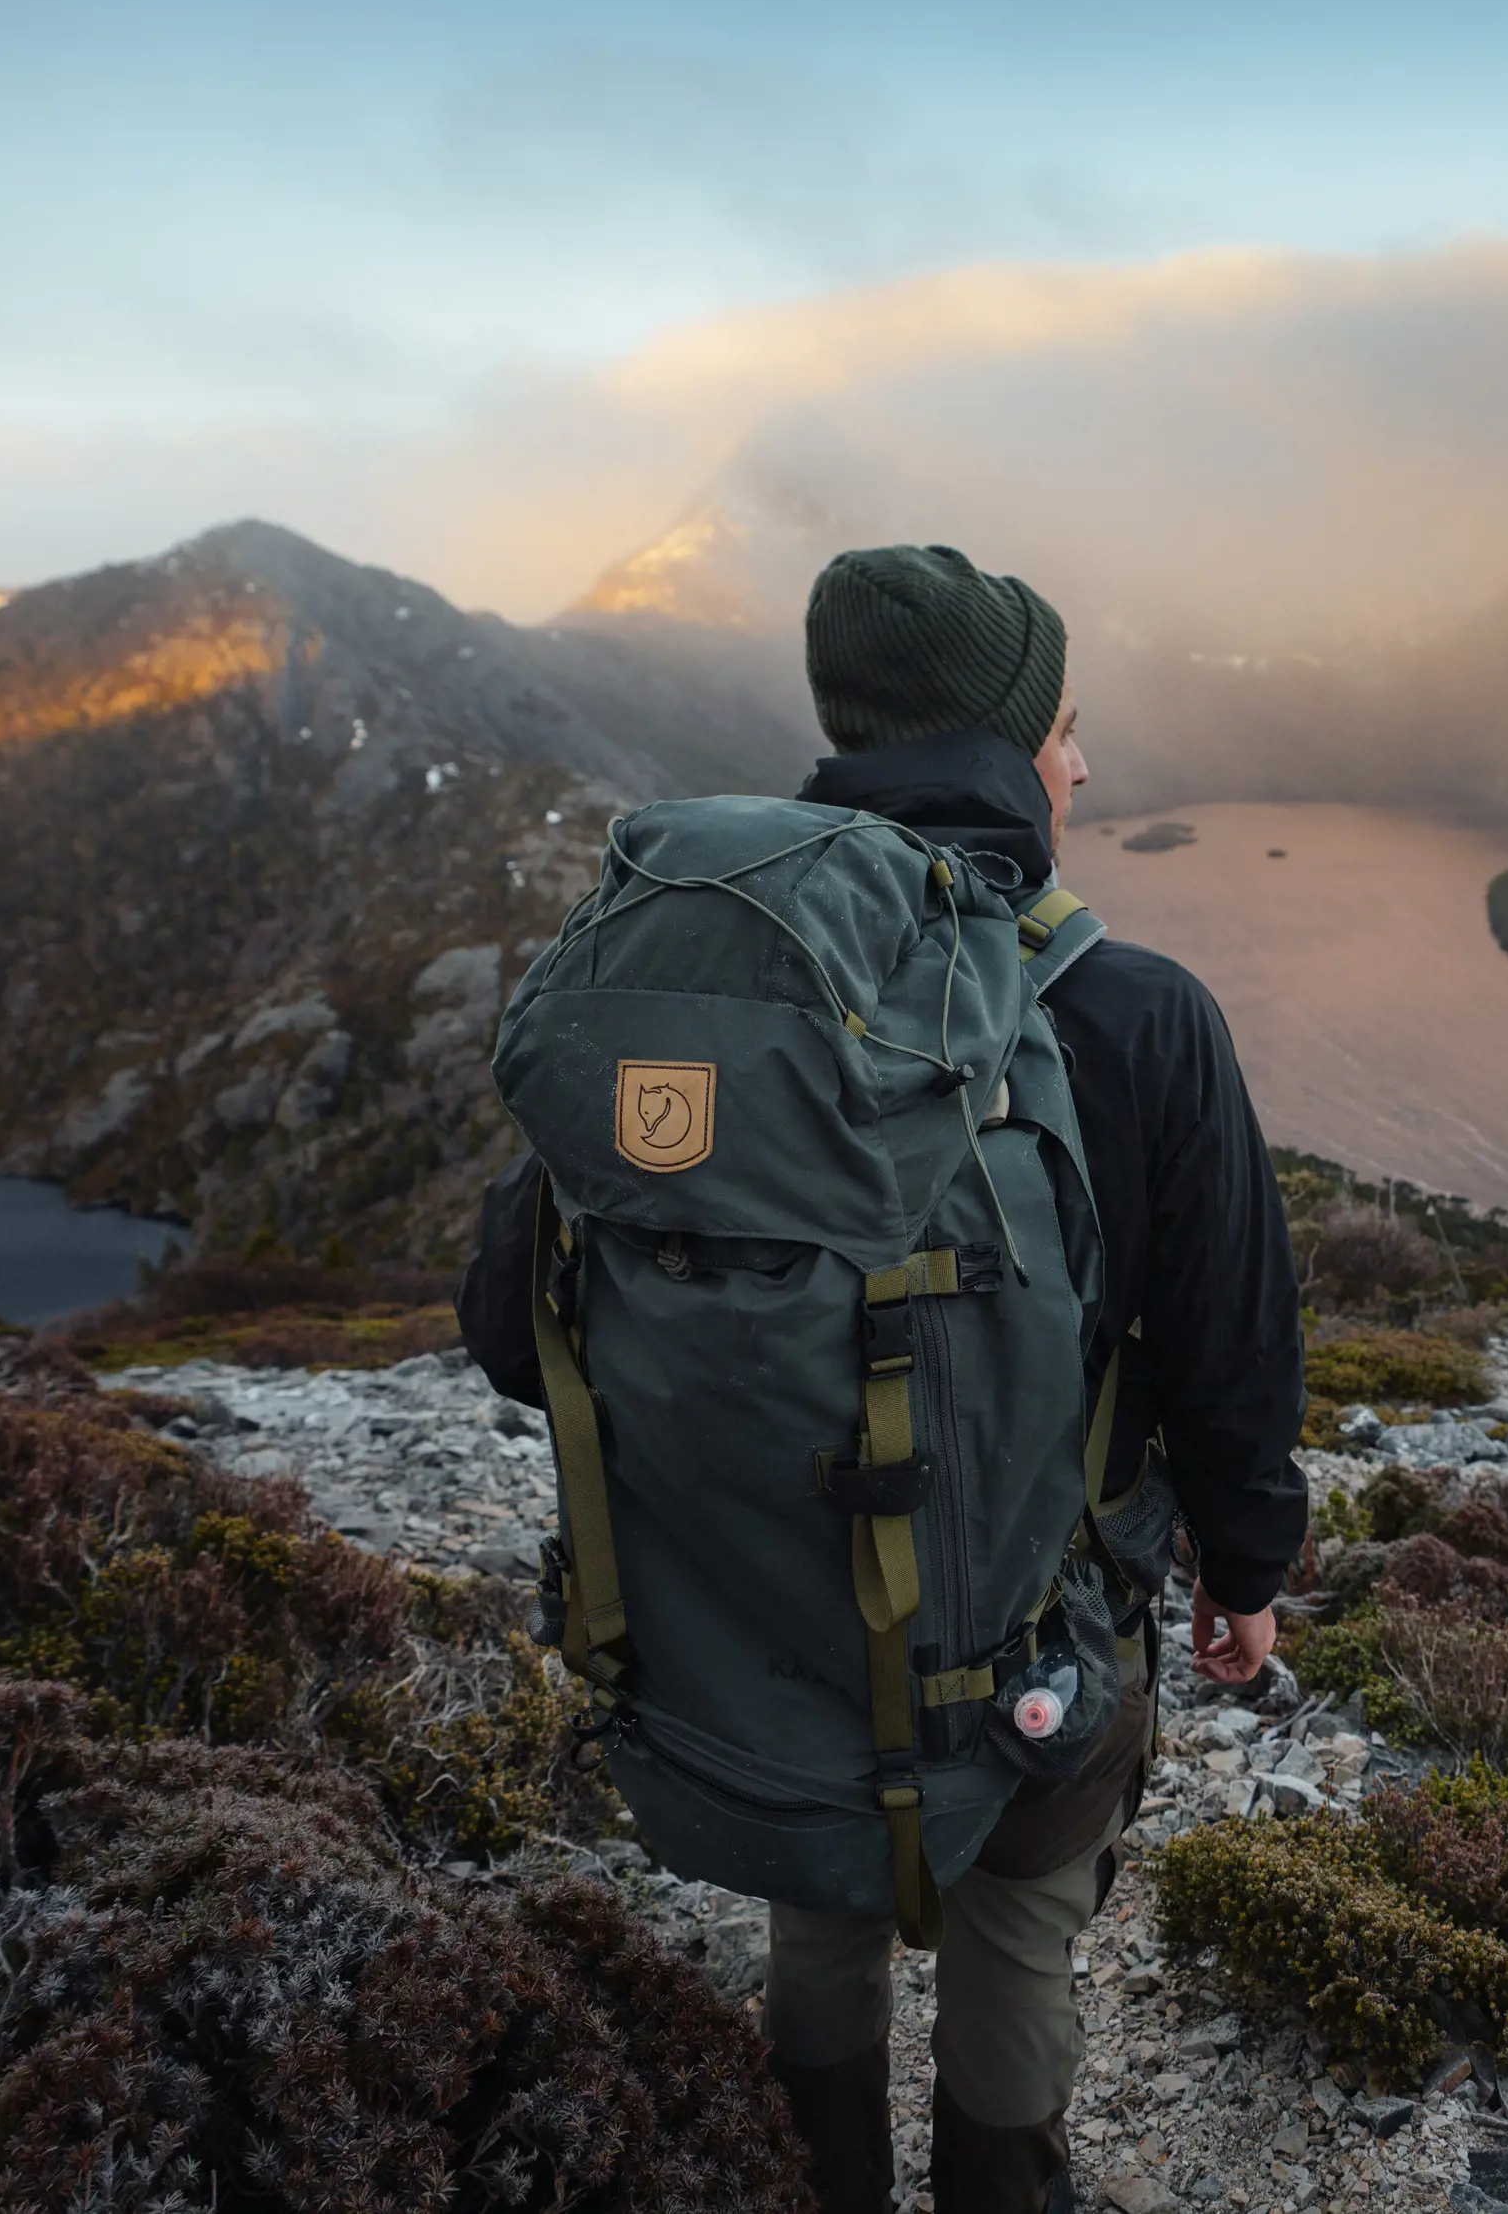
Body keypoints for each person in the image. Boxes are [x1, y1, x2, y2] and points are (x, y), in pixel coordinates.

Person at [460, 544, 1306, 2214]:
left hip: (758, 1618)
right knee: (1016, 1954)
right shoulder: (1130, 1012)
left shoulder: (704, 998)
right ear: (1004, 749)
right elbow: (1228, 1345)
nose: (1084, 767)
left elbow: (512, 1325)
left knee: (821, 1914)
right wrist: (1249, 1569)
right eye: (1065, 731)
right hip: (1029, 1641)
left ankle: (813, 2179)